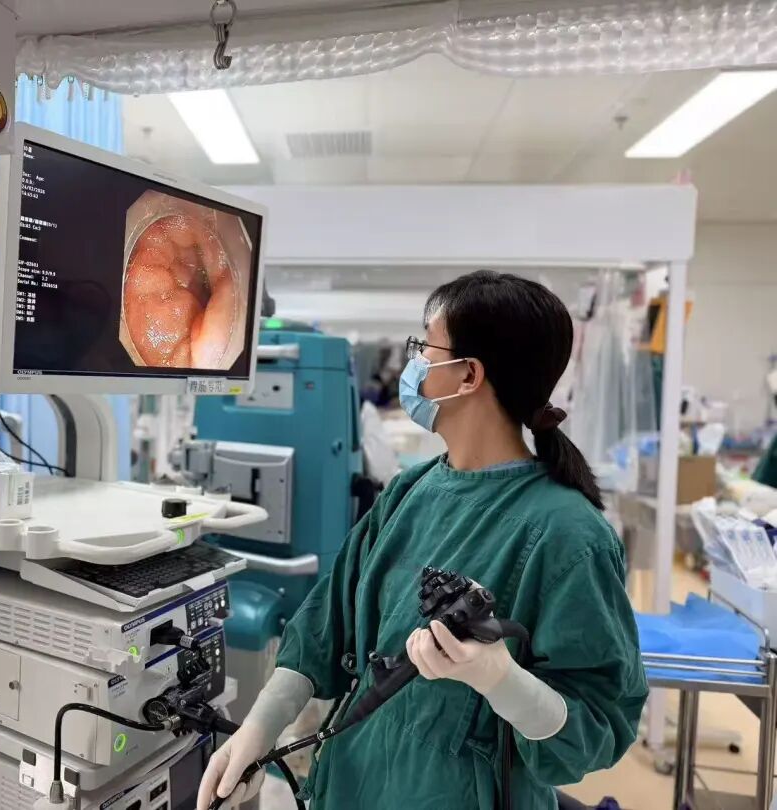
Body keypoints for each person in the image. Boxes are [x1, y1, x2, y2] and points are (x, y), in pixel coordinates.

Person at [197, 271, 648, 810]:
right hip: (354, 784)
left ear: (468, 375)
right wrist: (259, 730)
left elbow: (597, 725)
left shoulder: (569, 535)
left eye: (425, 347)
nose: (415, 365)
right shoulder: (410, 491)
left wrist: (501, 679)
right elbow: (325, 626)